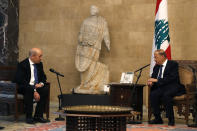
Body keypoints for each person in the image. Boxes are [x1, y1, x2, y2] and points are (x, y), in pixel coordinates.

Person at [74, 5, 110, 94]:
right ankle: (84, 84)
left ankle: (91, 84)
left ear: (97, 10)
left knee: (93, 63)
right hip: (85, 46)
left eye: (94, 9)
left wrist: (108, 43)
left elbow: (105, 33)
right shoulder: (85, 21)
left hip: (95, 46)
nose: (92, 10)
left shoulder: (102, 21)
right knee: (84, 64)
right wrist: (80, 39)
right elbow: (81, 32)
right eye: (91, 9)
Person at [148, 49, 185, 126]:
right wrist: (151, 83)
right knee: (153, 94)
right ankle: (158, 118)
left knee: (166, 95)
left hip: (172, 86)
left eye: (156, 57)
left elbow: (172, 78)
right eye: (154, 58)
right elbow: (153, 77)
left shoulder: (173, 64)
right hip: (161, 87)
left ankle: (171, 119)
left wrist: (156, 80)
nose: (154, 60)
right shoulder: (156, 67)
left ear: (162, 56)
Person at [14, 48, 49, 124]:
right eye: (39, 56)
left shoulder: (39, 64)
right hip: (24, 87)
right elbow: (20, 80)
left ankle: (38, 116)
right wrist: (34, 90)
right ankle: (29, 117)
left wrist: (41, 84)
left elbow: (44, 77)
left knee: (45, 89)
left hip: (35, 86)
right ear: (33, 56)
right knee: (29, 90)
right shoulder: (22, 65)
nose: (41, 58)